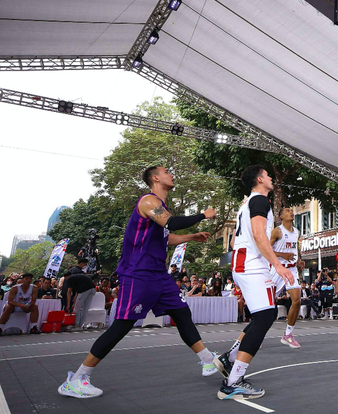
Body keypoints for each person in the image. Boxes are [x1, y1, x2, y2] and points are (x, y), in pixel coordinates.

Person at [57, 165, 218, 399]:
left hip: (158, 274)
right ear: (155, 178)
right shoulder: (148, 202)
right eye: (166, 172)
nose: (171, 174)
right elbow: (171, 223)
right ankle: (77, 378)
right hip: (138, 273)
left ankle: (207, 361)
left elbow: (167, 235)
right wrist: (203, 215)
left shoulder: (161, 209)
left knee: (181, 313)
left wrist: (191, 236)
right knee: (123, 325)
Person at [214, 165, 294, 401]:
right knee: (265, 316)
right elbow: (259, 235)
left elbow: (240, 241)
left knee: (266, 315)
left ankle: (229, 359)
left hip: (245, 262)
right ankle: (233, 382)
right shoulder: (259, 200)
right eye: (268, 175)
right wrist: (277, 265)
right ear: (260, 179)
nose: (271, 178)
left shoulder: (248, 203)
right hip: (250, 264)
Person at [268, 206, 303, 348]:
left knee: (297, 301)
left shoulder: (297, 232)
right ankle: (255, 334)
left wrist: (299, 260)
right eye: (287, 211)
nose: (291, 212)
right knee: (266, 307)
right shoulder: (277, 231)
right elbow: (266, 249)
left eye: (291, 211)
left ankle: (288, 335)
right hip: (277, 269)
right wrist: (283, 255)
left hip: (292, 270)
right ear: (281, 216)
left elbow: (295, 249)